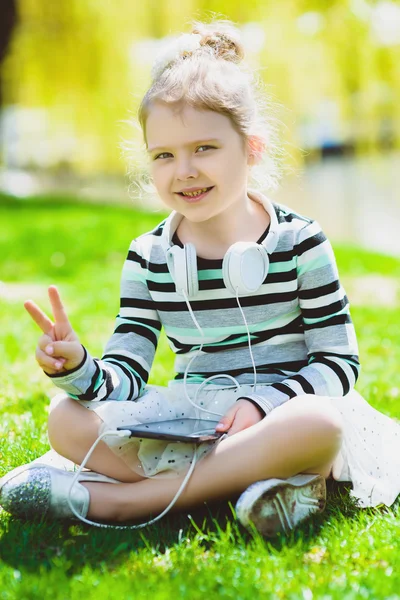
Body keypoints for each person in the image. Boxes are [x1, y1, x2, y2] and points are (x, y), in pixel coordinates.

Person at [1, 19, 400, 537]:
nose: (183, 170)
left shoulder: (300, 240)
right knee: (64, 419)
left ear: (252, 149)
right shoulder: (150, 255)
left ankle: (132, 501)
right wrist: (77, 367)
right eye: (164, 155)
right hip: (196, 419)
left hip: (282, 415)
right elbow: (125, 374)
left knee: (319, 425)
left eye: (204, 149)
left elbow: (338, 364)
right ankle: (258, 488)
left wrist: (262, 403)